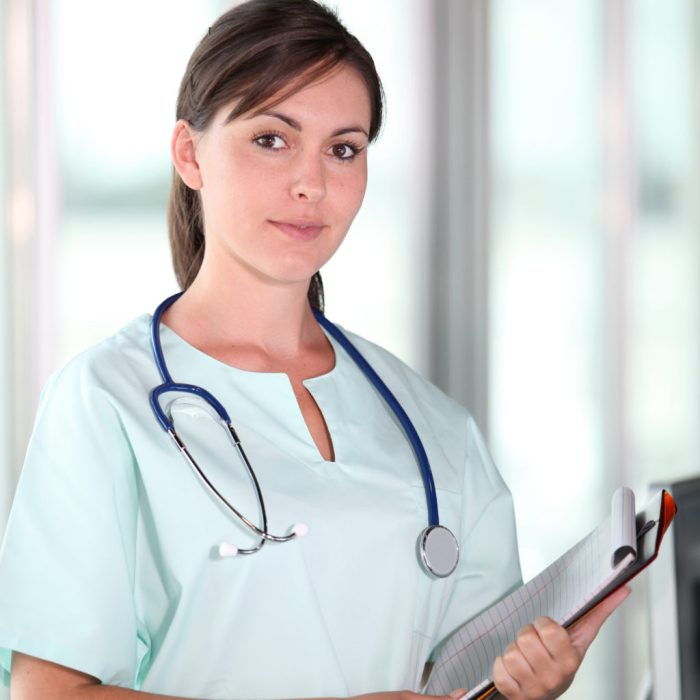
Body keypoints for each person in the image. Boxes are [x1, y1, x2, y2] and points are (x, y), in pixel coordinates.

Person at [0, 1, 628, 699]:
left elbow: (459, 680)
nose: (312, 183)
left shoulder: (434, 429)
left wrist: (525, 683)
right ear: (190, 154)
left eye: (344, 148)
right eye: (272, 139)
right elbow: (46, 692)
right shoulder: (105, 402)